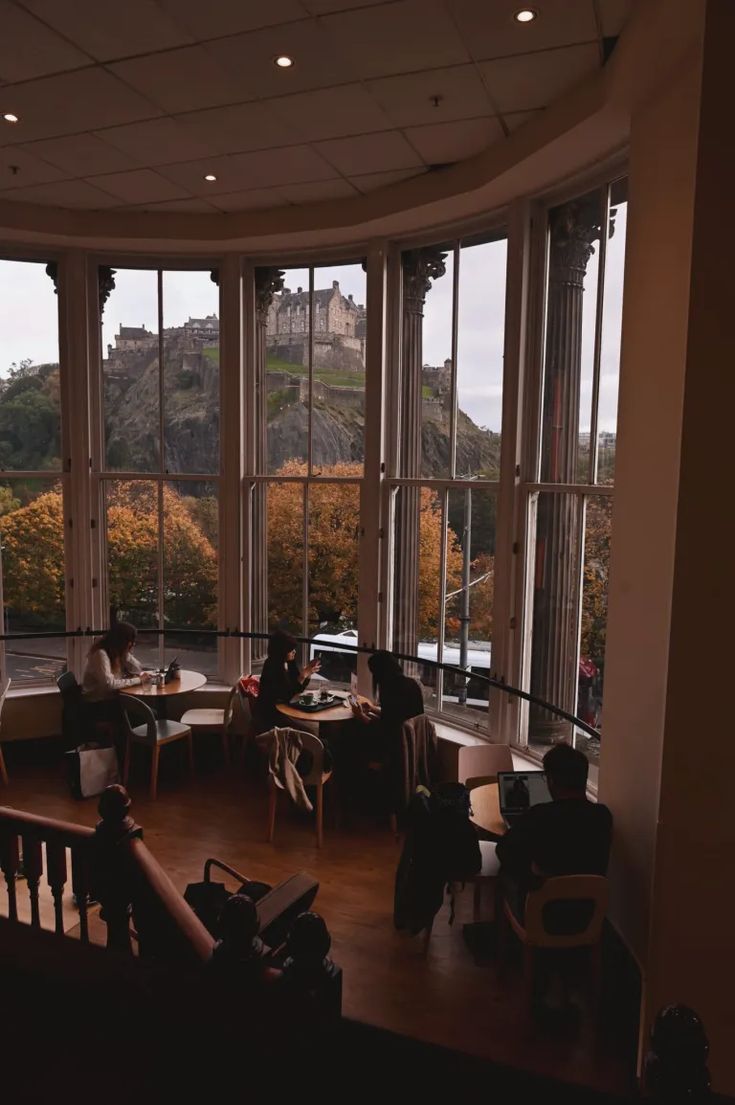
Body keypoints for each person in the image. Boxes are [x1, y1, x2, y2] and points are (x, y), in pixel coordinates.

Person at [495, 742, 613, 925]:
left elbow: (503, 851)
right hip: (589, 915)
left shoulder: (538, 816)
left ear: (551, 781)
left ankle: (507, 941)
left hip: (544, 917)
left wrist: (529, 871)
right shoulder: (603, 816)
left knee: (504, 872)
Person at [347, 650, 425, 811]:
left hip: (394, 752)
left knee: (348, 744)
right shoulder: (411, 684)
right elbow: (396, 718)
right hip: (411, 747)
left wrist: (361, 716)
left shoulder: (389, 690)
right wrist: (374, 709)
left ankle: (351, 801)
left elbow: (385, 731)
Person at [254, 629, 320, 733]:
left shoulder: (289, 662)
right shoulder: (271, 666)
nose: (294, 651)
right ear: (281, 651)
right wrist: (303, 675)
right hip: (270, 716)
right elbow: (287, 694)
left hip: (282, 711)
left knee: (312, 732)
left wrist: (308, 673)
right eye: (291, 649)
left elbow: (298, 689)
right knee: (311, 733)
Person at [82, 622, 151, 701]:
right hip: (97, 702)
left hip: (109, 698)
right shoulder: (101, 654)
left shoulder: (115, 652)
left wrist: (127, 654)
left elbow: (138, 668)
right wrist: (139, 680)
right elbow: (109, 685)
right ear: (121, 641)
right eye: (131, 641)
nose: (133, 644)